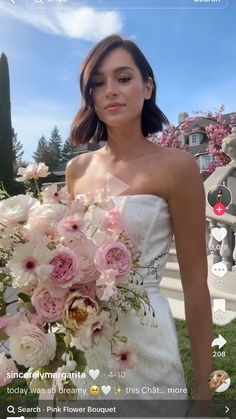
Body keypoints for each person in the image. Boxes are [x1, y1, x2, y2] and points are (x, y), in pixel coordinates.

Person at [65, 34, 213, 402]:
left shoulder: (177, 167)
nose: (110, 90)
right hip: (81, 343)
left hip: (146, 343)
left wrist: (205, 394)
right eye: (98, 83)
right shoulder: (76, 169)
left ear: (147, 87)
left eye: (123, 78)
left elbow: (195, 285)